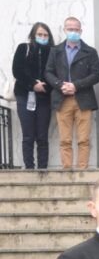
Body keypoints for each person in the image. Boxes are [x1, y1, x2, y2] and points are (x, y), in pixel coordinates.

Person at [44, 16, 99, 169]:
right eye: (70, 29)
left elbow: (96, 75)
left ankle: (83, 171)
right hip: (62, 99)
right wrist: (60, 84)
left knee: (84, 139)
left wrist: (76, 85)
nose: (73, 32)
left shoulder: (90, 51)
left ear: (81, 31)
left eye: (76, 29)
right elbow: (48, 72)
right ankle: (67, 171)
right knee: (65, 139)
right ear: (64, 30)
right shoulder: (55, 51)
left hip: (83, 98)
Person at [11, 22, 52, 169]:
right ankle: (29, 167)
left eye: (45, 35)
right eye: (40, 34)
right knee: (28, 135)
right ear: (33, 35)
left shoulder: (52, 51)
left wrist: (44, 87)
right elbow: (17, 70)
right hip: (25, 95)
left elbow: (54, 73)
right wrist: (33, 84)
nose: (42, 37)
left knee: (42, 136)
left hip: (44, 97)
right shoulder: (24, 48)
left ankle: (43, 168)